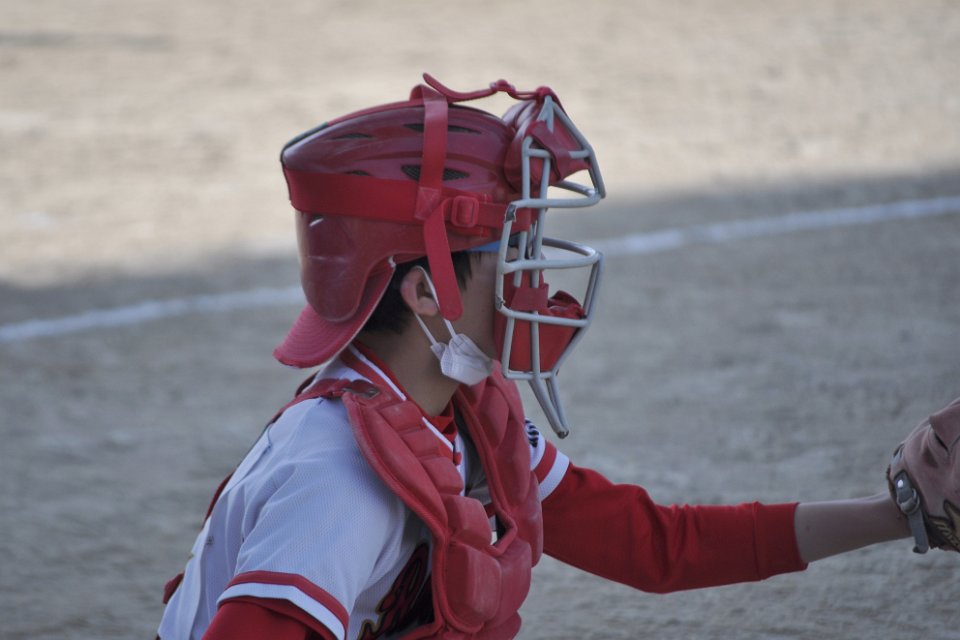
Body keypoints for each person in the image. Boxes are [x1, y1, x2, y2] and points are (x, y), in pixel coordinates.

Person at [157, 74, 920, 640]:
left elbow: (654, 547)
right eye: (512, 253)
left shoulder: (453, 412)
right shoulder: (340, 476)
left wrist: (902, 514)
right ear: (425, 293)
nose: (534, 281)